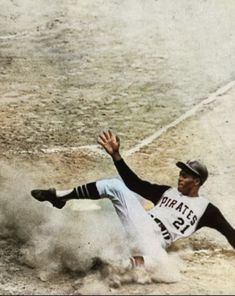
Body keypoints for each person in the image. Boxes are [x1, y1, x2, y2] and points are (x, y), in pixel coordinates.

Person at [31, 130, 235, 267]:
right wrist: (116, 156)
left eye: (186, 175)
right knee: (114, 185)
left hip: (156, 243)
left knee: (163, 265)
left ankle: (115, 264)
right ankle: (60, 196)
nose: (180, 177)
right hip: (141, 224)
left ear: (197, 181)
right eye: (181, 173)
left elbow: (230, 233)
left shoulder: (207, 209)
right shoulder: (167, 192)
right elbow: (134, 184)